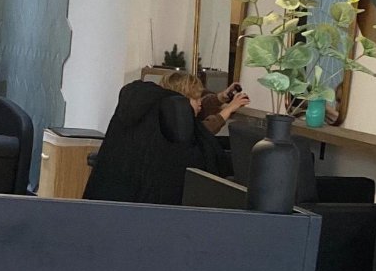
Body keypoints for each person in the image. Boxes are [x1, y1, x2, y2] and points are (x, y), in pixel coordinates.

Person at [83, 75, 224, 205]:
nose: (200, 103)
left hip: (107, 205)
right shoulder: (173, 129)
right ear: (183, 99)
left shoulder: (143, 116)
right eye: (196, 99)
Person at [159, 73, 250, 134]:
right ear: (180, 101)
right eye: (196, 99)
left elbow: (203, 105)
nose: (200, 102)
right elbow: (204, 130)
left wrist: (221, 97)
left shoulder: (171, 115)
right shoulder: (176, 127)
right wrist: (229, 109)